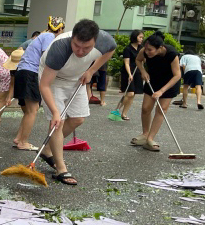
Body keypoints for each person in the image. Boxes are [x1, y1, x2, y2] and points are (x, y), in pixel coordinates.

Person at [38, 19, 116, 185]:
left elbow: (111, 50)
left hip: (78, 77)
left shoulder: (105, 40)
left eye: (86, 48)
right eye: (76, 46)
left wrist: (91, 70)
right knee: (58, 122)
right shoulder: (59, 48)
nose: (80, 51)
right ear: (72, 37)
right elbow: (44, 85)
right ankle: (61, 169)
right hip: (54, 80)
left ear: (95, 41)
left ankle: (47, 149)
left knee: (78, 118)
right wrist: (55, 112)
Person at [12, 16, 65, 149]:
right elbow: (48, 57)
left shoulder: (43, 35)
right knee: (33, 110)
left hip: (23, 72)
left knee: (29, 110)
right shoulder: (49, 37)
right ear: (61, 29)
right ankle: (23, 142)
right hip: (31, 73)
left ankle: (19, 138)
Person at [132, 31, 182, 152]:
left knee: (161, 109)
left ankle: (150, 139)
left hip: (169, 83)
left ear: (160, 48)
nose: (147, 52)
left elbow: (177, 75)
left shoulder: (171, 54)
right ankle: (145, 134)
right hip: (153, 80)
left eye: (150, 50)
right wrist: (143, 72)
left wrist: (161, 91)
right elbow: (138, 60)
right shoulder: (144, 51)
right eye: (146, 49)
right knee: (146, 108)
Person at [119, 30, 145, 120]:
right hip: (128, 72)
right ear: (135, 37)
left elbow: (143, 61)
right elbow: (126, 63)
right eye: (140, 37)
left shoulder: (142, 48)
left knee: (133, 95)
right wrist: (129, 74)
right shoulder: (128, 49)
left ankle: (124, 113)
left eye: (142, 37)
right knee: (130, 93)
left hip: (137, 72)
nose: (141, 39)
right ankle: (118, 110)